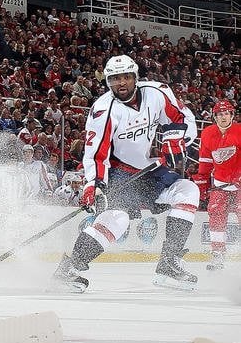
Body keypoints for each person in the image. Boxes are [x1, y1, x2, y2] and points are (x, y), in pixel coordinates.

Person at [53, 55, 199, 292]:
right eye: (115, 79)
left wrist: (178, 138)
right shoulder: (103, 110)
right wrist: (94, 183)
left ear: (136, 77)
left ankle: (169, 263)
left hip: (150, 169)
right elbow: (96, 153)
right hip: (120, 173)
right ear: (108, 82)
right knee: (117, 219)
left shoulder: (157, 92)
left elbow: (184, 118)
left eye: (126, 77)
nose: (121, 83)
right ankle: (70, 268)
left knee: (188, 191)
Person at [193, 100, 241, 271]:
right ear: (214, 116)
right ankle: (218, 254)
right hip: (220, 184)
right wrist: (202, 183)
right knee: (216, 217)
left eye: (226, 113)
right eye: (220, 114)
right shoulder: (207, 134)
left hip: (240, 185)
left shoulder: (239, 131)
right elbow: (205, 161)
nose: (223, 117)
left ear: (232, 115)